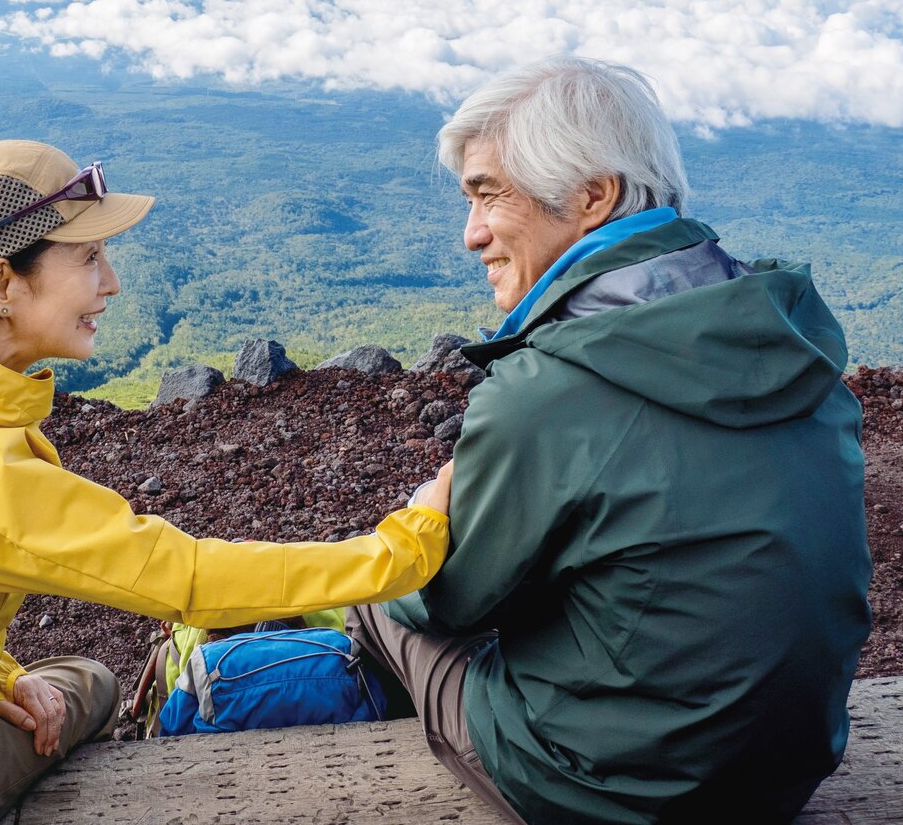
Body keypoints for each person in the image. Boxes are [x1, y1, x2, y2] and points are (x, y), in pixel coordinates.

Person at [0, 140, 452, 825]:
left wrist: (0, 678)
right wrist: (406, 547)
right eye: (88, 257)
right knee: (94, 684)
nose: (110, 282)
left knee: (62, 683)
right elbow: (189, 580)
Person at [346, 57, 872, 825]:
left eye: (489, 194)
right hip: (789, 772)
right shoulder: (788, 340)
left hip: (614, 796)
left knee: (379, 594)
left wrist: (424, 514)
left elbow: (446, 600)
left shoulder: (543, 392)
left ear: (594, 196)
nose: (472, 235)